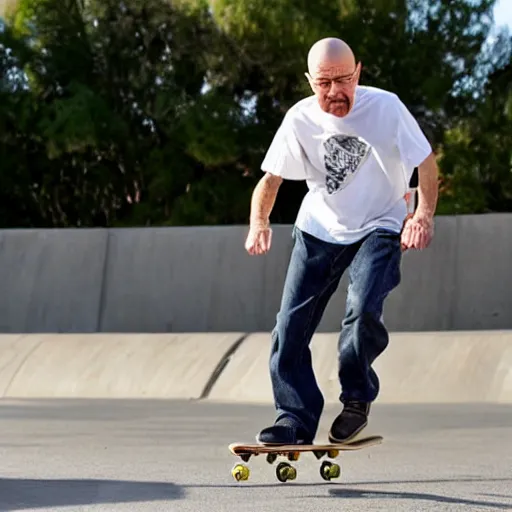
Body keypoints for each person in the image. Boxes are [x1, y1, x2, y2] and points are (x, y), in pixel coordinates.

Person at [244, 37, 439, 446]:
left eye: (343, 81)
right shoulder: (299, 119)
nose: (335, 93)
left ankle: (356, 400)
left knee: (363, 308)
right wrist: (259, 221)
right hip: (319, 230)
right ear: (309, 81)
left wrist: (421, 215)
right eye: (323, 83)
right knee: (290, 326)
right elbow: (271, 178)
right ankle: (293, 419)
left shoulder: (386, 107)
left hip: (381, 225)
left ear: (359, 73)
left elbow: (425, 161)